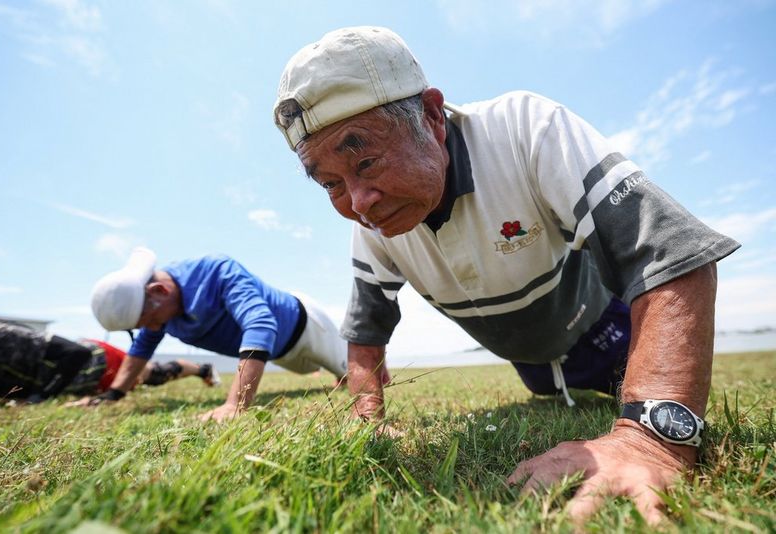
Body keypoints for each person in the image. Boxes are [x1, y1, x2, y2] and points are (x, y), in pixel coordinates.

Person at [272, 26, 740, 524]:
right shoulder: (373, 227)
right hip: (531, 364)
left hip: (609, 332)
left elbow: (668, 253)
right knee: (547, 392)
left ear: (431, 117)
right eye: (330, 185)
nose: (359, 203)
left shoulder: (525, 129)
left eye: (365, 160)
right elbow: (365, 337)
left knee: (639, 390)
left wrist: (652, 437)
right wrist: (369, 422)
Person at [84, 247, 356, 422]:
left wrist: (236, 404)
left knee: (350, 375)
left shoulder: (216, 271)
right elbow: (140, 350)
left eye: (150, 320)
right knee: (307, 372)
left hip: (307, 327)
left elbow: (261, 324)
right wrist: (112, 396)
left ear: (159, 291)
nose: (152, 328)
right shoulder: (159, 312)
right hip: (281, 354)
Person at [0, 318, 218, 403]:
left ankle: (201, 369)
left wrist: (41, 396)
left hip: (98, 362)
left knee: (154, 375)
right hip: (77, 379)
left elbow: (75, 353)